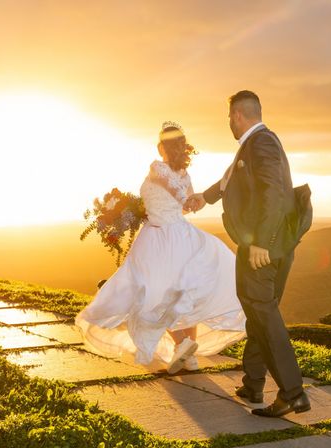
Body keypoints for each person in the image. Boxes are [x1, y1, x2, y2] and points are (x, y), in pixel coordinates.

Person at [75, 121, 246, 374]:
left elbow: (178, 198)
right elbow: (187, 205)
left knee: (155, 294)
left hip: (159, 237)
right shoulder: (185, 175)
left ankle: (184, 344)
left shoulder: (157, 168)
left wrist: (169, 204)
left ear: (161, 146)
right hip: (180, 233)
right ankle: (189, 356)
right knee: (181, 292)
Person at [187, 90, 311, 417]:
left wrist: (261, 242)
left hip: (263, 248)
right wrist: (205, 197)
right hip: (273, 245)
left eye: (229, 117)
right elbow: (231, 178)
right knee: (259, 311)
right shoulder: (253, 145)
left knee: (262, 313)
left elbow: (274, 192)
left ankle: (292, 392)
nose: (229, 123)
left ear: (238, 116)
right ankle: (254, 382)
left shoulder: (262, 143)